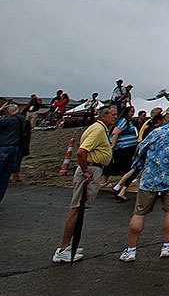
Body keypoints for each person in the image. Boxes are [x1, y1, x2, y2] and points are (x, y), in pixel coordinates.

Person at [119, 103, 169, 262]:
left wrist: (137, 167)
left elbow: (140, 150)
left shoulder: (157, 132)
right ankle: (167, 245)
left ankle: (131, 250)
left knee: (139, 212)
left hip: (151, 177)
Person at [52, 104, 117, 262]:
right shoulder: (98, 130)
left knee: (80, 209)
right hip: (90, 169)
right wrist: (86, 170)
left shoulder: (99, 129)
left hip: (93, 168)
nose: (115, 117)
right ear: (104, 115)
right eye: (113, 114)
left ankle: (68, 246)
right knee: (76, 209)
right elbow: (82, 151)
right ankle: (63, 248)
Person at [114, 107, 165, 200]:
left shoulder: (148, 124)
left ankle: (119, 187)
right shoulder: (152, 129)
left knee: (135, 170)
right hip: (145, 151)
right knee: (137, 170)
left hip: (140, 148)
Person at [105, 108, 139, 189]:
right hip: (123, 147)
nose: (133, 113)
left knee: (127, 164)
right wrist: (113, 146)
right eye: (131, 111)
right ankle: (123, 182)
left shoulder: (129, 121)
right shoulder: (123, 121)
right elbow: (115, 133)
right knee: (126, 165)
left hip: (129, 146)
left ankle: (124, 181)